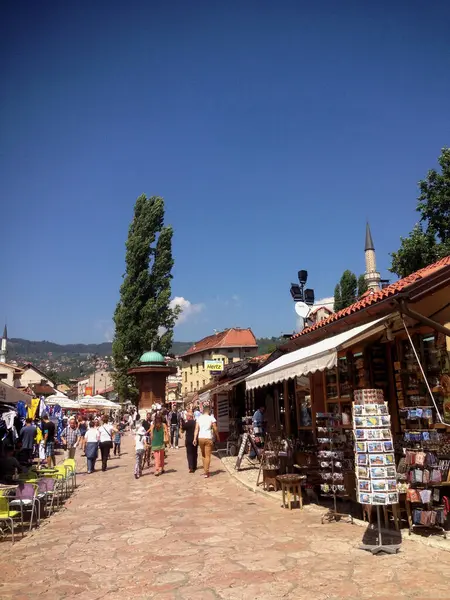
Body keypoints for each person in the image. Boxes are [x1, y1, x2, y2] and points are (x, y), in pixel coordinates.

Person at [194, 406, 218, 478]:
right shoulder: (211, 418)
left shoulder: (199, 418)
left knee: (203, 455)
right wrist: (217, 436)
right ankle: (206, 472)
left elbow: (196, 429)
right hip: (208, 437)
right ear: (209, 411)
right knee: (208, 455)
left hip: (200, 437)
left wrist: (194, 438)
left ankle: (205, 470)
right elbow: (215, 428)